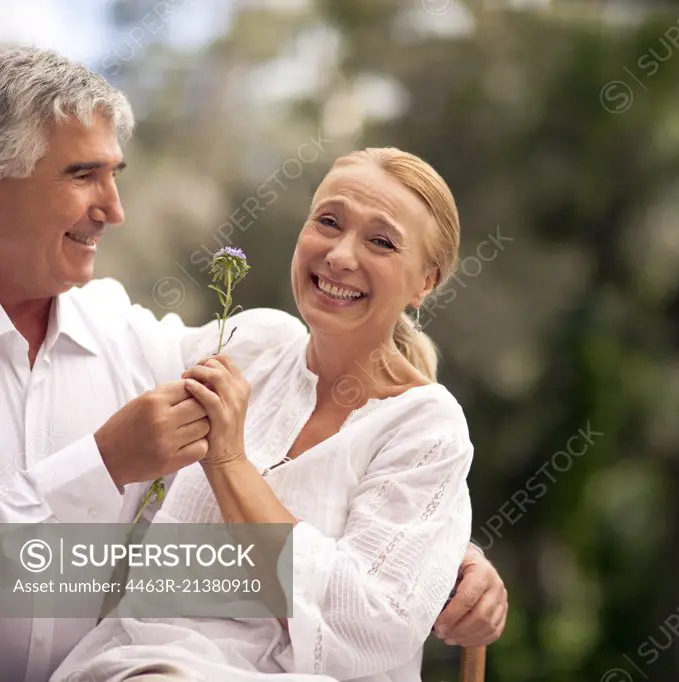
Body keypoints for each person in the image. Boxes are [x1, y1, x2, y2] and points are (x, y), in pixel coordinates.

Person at [0, 45, 504, 682]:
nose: (116, 208)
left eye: (380, 241)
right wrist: (104, 464)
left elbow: (369, 619)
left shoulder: (168, 341)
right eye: (81, 175)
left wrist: (434, 556)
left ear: (425, 282)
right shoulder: (250, 349)